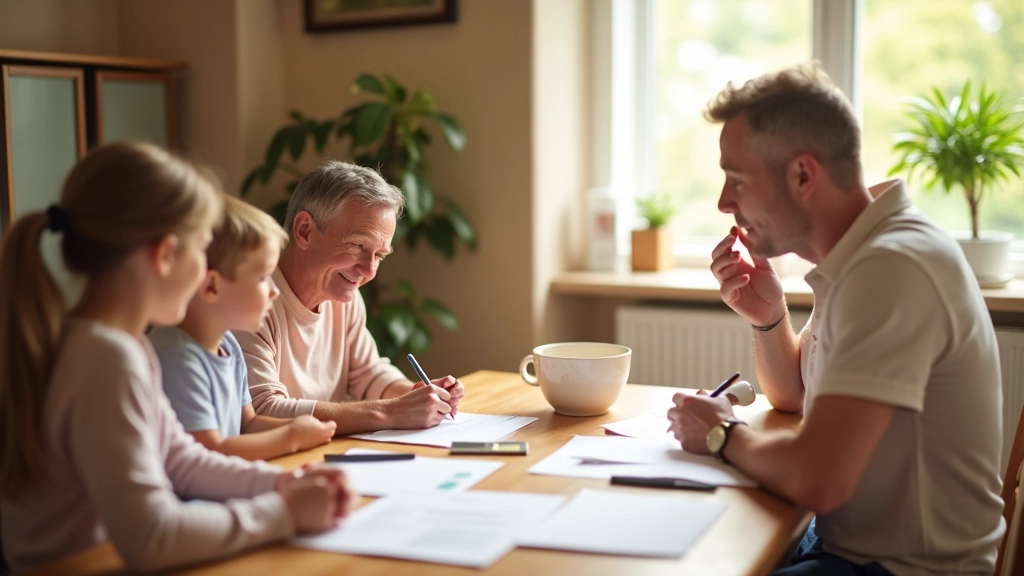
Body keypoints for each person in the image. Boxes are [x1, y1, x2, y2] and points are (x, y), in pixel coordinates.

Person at [666, 64, 1005, 576]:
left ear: (803, 176)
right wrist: (769, 317)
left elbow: (818, 479)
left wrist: (722, 433)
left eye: (737, 179)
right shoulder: (861, 251)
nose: (723, 202)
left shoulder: (890, 268)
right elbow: (795, 394)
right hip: (846, 546)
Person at [0, 142, 354, 572]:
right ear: (166, 255)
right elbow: (153, 538)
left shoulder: (121, 346)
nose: (206, 272)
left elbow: (182, 461)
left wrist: (285, 483)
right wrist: (285, 514)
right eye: (202, 249)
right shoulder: (104, 358)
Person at [235, 160, 464, 434]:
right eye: (357, 245)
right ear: (305, 230)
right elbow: (261, 411)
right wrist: (390, 412)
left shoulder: (343, 293)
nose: (369, 271)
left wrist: (415, 394)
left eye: (379, 255)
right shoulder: (250, 299)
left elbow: (367, 373)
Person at [149, 195, 337, 460]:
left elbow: (248, 424)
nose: (274, 291)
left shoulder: (227, 343)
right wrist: (292, 437)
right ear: (212, 286)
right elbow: (209, 452)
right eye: (263, 277)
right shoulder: (178, 358)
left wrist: (301, 427)